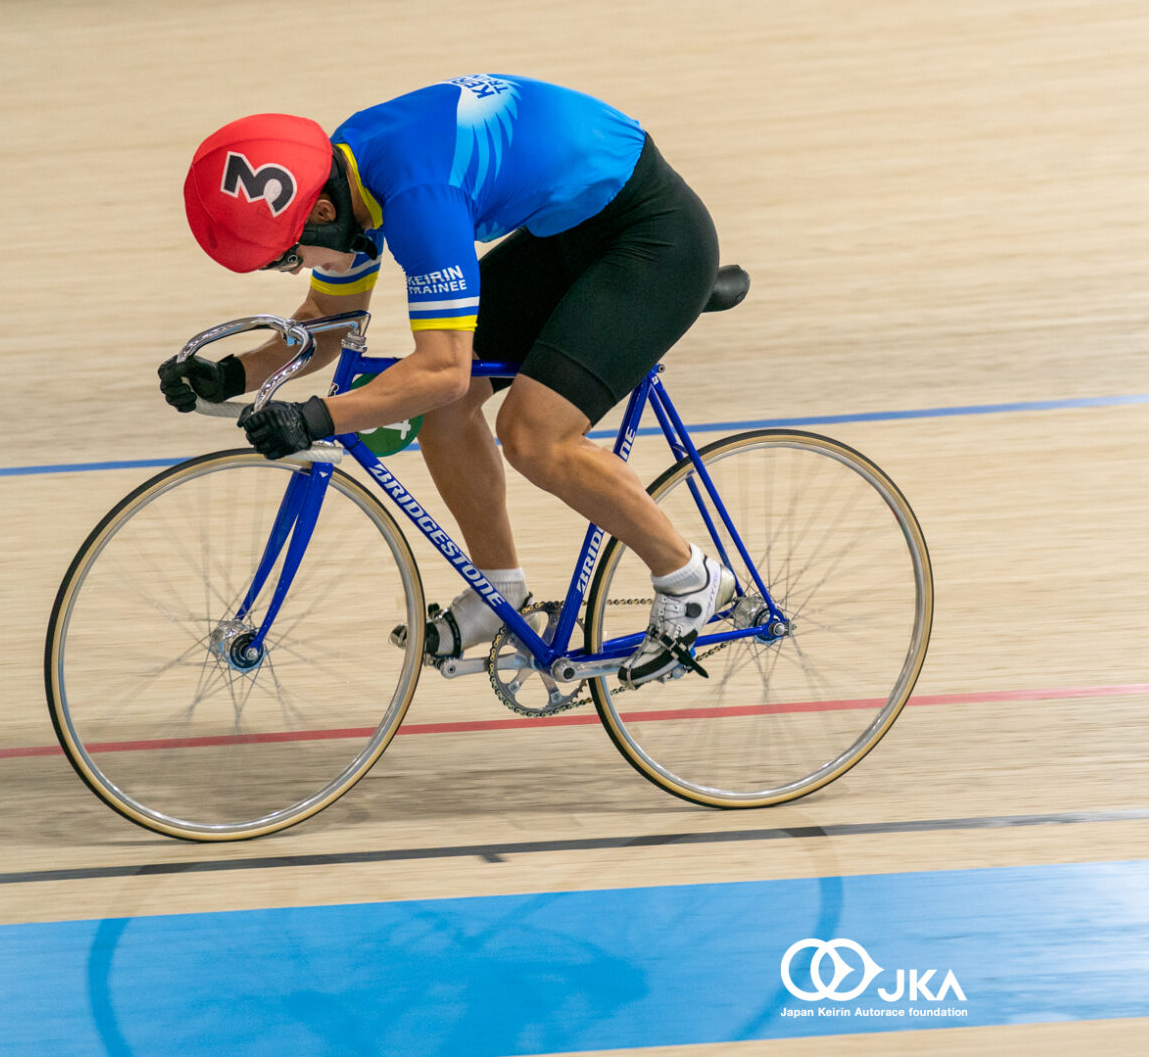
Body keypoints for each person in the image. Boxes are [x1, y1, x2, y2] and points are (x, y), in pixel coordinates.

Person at [159, 73, 730, 687]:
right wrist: (231, 374)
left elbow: (443, 371)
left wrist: (317, 418)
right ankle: (498, 592)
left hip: (650, 239)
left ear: (322, 214)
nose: (298, 270)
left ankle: (689, 576)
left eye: (291, 258)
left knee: (535, 435)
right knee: (443, 417)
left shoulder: (416, 196)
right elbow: (328, 318)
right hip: (570, 232)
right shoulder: (347, 171)